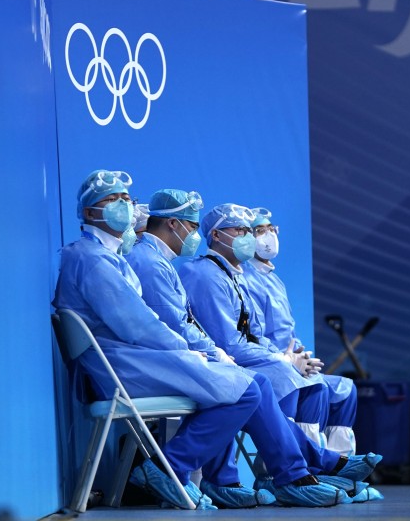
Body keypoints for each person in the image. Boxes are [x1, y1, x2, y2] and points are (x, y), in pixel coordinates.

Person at [52, 170, 351, 509]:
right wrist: (196, 353)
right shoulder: (92, 259)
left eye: (126, 199)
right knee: (247, 388)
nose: (125, 206)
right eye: (113, 200)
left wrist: (203, 354)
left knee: (248, 385)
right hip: (118, 365)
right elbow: (139, 325)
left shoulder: (108, 256)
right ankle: (187, 469)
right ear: (90, 212)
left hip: (130, 358)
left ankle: (284, 471)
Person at [126, 190, 382, 505]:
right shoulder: (170, 266)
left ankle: (289, 471)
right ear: (174, 224)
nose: (252, 237)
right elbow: (171, 327)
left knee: (267, 383)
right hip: (153, 363)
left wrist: (283, 355)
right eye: (192, 227)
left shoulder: (177, 265)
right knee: (257, 382)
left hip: (172, 358)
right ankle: (292, 472)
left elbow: (198, 326)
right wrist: (224, 354)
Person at [243, 207, 361, 457]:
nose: (268, 235)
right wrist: (287, 361)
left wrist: (301, 358)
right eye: (259, 231)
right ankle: (304, 466)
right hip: (268, 366)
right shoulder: (246, 279)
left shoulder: (274, 279)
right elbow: (252, 336)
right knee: (313, 388)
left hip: (291, 362)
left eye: (271, 229)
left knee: (345, 389)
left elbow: (288, 332)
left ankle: (340, 465)